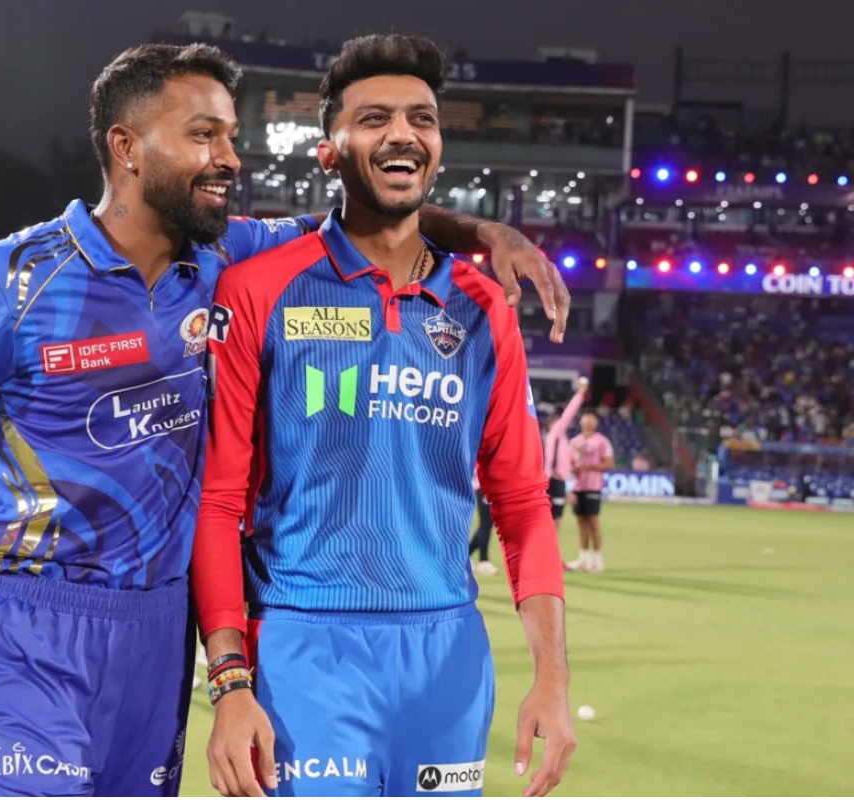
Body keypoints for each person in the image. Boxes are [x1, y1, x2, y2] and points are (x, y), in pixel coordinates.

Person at [0, 42, 569, 799]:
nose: (230, 158)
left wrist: (487, 232)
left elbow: (377, 218)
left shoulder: (228, 257)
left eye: (231, 137)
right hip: (31, 624)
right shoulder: (7, 281)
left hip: (161, 631)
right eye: (204, 135)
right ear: (128, 147)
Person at [193, 35, 574, 799]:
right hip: (302, 648)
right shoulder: (258, 288)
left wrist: (552, 679)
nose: (403, 134)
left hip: (447, 657)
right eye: (374, 119)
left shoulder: (484, 307)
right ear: (329, 152)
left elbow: (523, 503)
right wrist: (230, 682)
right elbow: (219, 500)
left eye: (421, 119)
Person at [566, 412, 614, 572]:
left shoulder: (602, 441)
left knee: (594, 523)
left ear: (595, 424)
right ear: (581, 423)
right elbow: (568, 463)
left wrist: (588, 467)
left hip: (593, 486)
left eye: (590, 421)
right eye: (585, 421)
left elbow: (609, 464)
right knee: (581, 523)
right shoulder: (574, 442)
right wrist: (574, 470)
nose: (587, 424)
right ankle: (584, 558)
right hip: (578, 487)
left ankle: (598, 560)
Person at [545, 377, 589, 529]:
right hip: (552, 480)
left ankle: (549, 545)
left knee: (556, 519)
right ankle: (546, 545)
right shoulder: (554, 434)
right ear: (550, 426)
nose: (558, 423)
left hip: (559, 482)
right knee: (552, 519)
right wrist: (580, 394)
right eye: (554, 422)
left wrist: (579, 454)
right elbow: (567, 415)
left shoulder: (564, 442)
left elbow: (573, 460)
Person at [468, 472, 498, 575]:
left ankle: (464, 555)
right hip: (485, 485)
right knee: (485, 525)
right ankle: (483, 561)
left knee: (487, 525)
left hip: (492, 486)